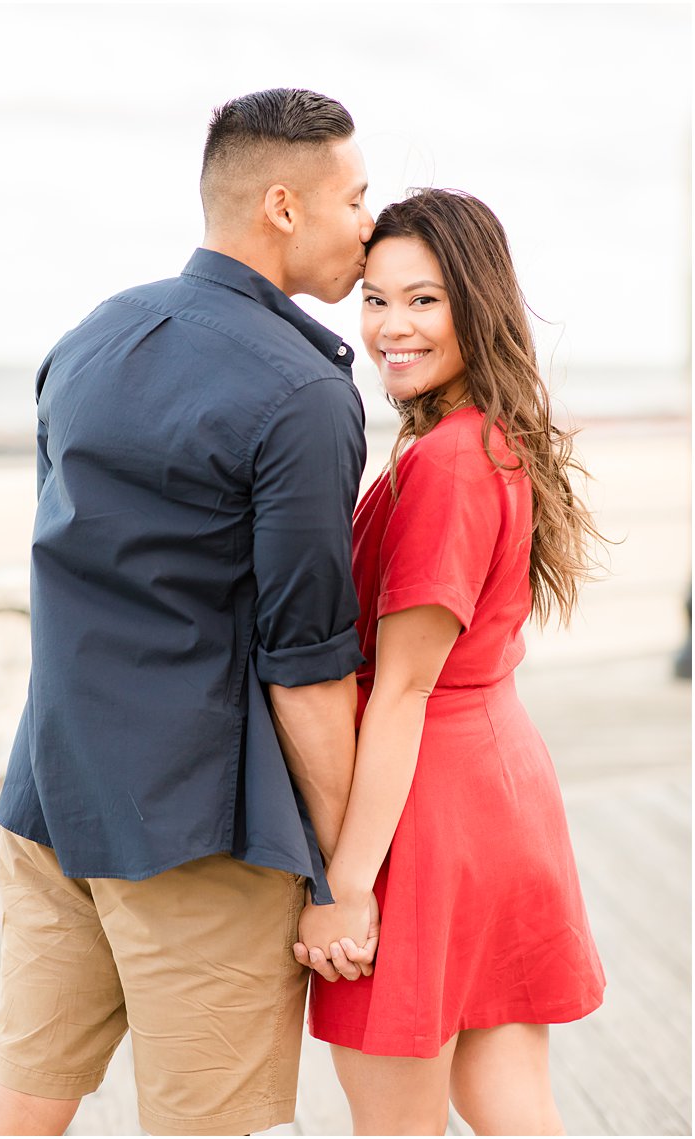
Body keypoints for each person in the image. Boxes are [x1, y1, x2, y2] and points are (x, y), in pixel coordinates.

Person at [0, 88, 378, 1137]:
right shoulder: (299, 390)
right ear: (282, 206)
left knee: (21, 1102)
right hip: (194, 830)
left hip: (52, 796)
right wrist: (344, 870)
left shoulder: (91, 336)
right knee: (216, 1126)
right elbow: (305, 662)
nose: (366, 225)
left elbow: (73, 553)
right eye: (355, 197)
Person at [297, 189, 606, 1135]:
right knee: (510, 1104)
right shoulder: (487, 437)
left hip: (427, 813)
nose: (393, 326)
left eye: (424, 300)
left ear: (477, 301)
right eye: (378, 299)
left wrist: (343, 893)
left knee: (399, 1122)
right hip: (497, 789)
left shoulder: (447, 463)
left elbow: (403, 691)